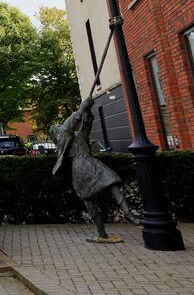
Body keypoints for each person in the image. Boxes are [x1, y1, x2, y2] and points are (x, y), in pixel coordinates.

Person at [50, 96, 140, 241]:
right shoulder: (62, 139)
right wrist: (81, 108)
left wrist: (87, 110)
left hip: (85, 165)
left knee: (103, 189)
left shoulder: (77, 136)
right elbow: (69, 125)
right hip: (83, 165)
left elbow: (85, 126)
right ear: (56, 134)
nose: (60, 127)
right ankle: (117, 221)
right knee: (106, 186)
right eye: (57, 128)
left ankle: (120, 219)